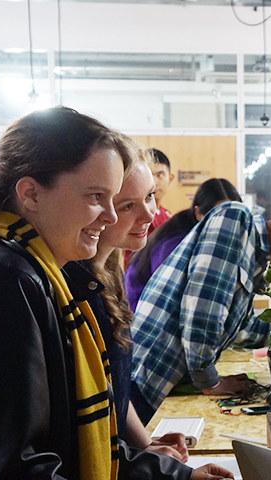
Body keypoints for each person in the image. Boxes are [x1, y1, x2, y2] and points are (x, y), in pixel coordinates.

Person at [0, 107, 231, 479]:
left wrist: (180, 476)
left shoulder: (41, 276)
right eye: (96, 196)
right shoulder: (3, 282)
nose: (110, 216)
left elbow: (78, 445)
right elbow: (14, 469)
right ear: (30, 194)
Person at [129, 192, 271, 423]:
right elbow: (203, 310)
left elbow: (243, 330)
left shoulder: (255, 256)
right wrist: (209, 381)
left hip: (165, 382)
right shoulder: (235, 219)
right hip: (148, 379)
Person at [71, 146, 190, 462]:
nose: (150, 214)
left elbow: (113, 386)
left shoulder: (110, 268)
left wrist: (145, 444)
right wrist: (143, 459)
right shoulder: (75, 282)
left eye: (150, 196)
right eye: (127, 205)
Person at [124, 178, 242, 310]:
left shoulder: (215, 240)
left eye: (234, 216)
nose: (227, 222)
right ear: (198, 213)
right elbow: (168, 297)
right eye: (219, 215)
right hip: (141, 310)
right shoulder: (176, 243)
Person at [149, 148, 175, 232]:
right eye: (149, 175)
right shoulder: (137, 216)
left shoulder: (168, 217)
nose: (154, 182)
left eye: (160, 175)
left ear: (170, 179)